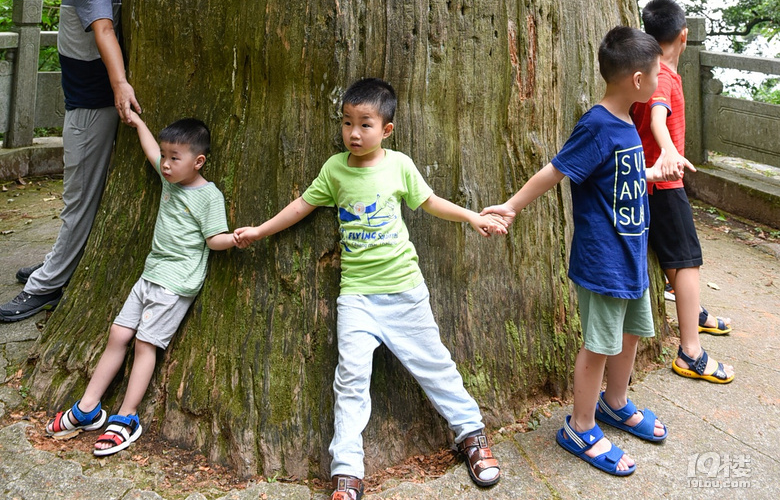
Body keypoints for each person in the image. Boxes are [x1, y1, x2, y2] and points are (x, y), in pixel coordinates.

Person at [234, 78, 505, 500]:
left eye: (365, 124)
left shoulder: (398, 165)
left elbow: (430, 202)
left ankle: (470, 434)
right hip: (356, 296)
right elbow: (302, 205)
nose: (354, 133)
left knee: (435, 365)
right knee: (351, 379)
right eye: (347, 123)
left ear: (387, 130)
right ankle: (347, 469)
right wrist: (260, 231)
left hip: (404, 291)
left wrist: (472, 217)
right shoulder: (334, 169)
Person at [483, 27, 673, 477]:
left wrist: (652, 171)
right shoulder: (597, 123)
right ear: (638, 81)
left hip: (631, 255)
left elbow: (618, 179)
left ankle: (615, 403)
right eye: (657, 73)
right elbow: (556, 171)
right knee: (599, 345)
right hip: (603, 259)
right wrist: (510, 207)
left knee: (630, 335)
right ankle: (580, 426)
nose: (661, 79)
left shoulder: (628, 120)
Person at [44, 114, 235, 455]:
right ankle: (88, 407)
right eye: (165, 156)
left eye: (175, 158)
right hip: (149, 275)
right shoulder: (170, 181)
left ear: (198, 161)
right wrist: (136, 122)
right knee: (118, 335)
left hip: (175, 284)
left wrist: (236, 238)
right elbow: (150, 150)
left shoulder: (209, 197)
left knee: (145, 344)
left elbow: (213, 239)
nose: (165, 163)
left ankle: (127, 416)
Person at [1, 0, 142, 323]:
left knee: (77, 199)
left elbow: (103, 29)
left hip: (91, 105)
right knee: (79, 196)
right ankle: (55, 262)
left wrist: (119, 85)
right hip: (88, 100)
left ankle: (45, 286)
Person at [632, 0, 735, 384]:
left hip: (646, 181)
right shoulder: (665, 79)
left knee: (676, 257)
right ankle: (690, 351)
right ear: (684, 36)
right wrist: (671, 151)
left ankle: (697, 314)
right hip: (664, 183)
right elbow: (659, 113)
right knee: (687, 260)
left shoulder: (643, 72)